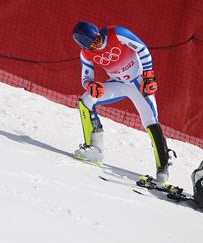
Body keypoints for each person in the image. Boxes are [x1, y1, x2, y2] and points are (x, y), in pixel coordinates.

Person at [71, 21, 174, 184]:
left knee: (150, 120)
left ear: (98, 32)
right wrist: (90, 86)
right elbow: (86, 77)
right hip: (118, 84)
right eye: (92, 45)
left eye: (98, 39)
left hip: (138, 83)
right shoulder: (86, 54)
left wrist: (148, 75)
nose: (97, 45)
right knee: (86, 101)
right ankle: (94, 150)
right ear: (86, 47)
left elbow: (142, 49)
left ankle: (163, 167)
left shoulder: (117, 33)